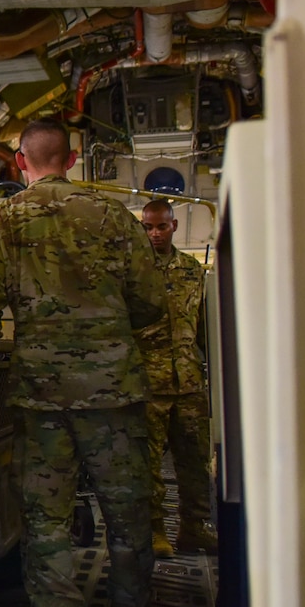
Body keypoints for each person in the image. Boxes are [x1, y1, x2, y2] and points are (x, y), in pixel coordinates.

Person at [0, 117, 165, 607]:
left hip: (40, 394)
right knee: (128, 515)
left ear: (20, 162)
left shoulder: (6, 218)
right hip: (114, 392)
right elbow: (151, 303)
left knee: (45, 523)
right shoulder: (114, 216)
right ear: (72, 160)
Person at [137, 198, 217, 557]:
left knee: (195, 461)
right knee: (148, 464)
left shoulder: (192, 271)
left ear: (174, 227)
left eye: (161, 226)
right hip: (148, 383)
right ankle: (156, 531)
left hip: (187, 382)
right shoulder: (134, 273)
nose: (155, 233)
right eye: (148, 227)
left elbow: (203, 327)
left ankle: (195, 528)